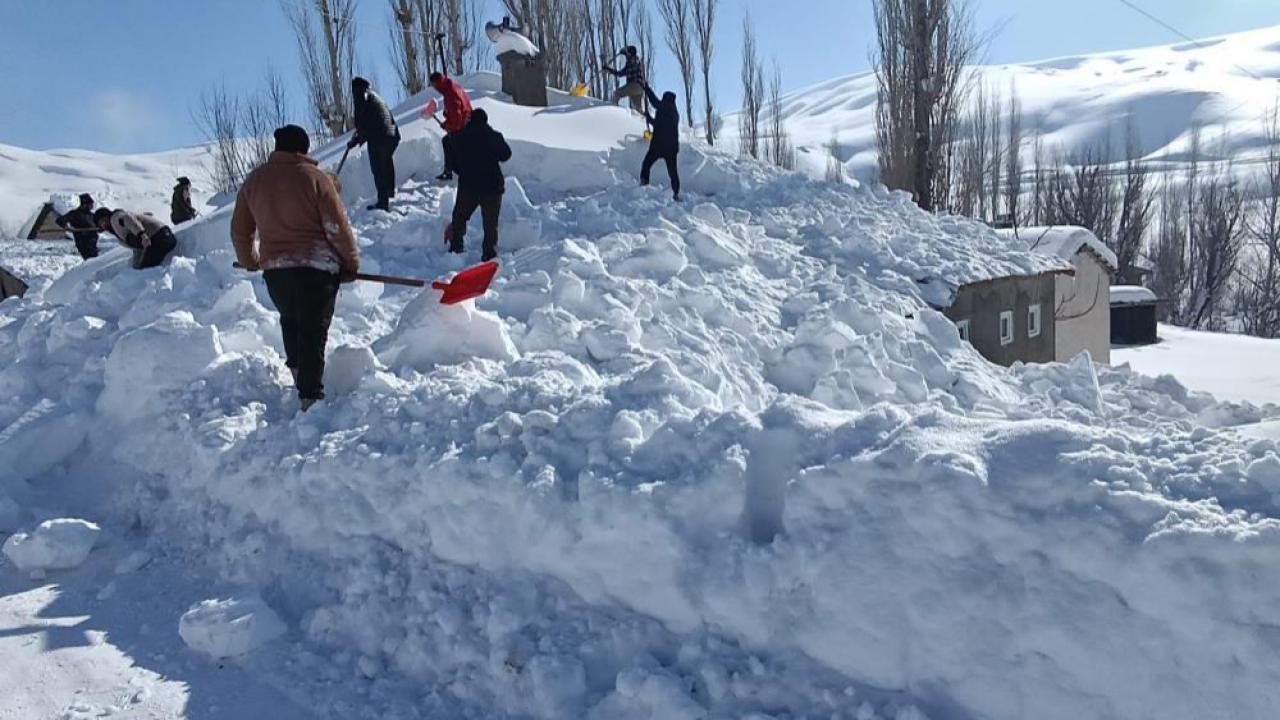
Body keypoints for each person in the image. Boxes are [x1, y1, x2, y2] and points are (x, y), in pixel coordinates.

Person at [232, 124, 360, 411]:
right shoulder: (314, 178)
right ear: (303, 149)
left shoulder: (254, 181)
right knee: (313, 331)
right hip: (315, 268)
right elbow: (336, 227)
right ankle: (310, 397)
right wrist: (350, 263)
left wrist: (251, 261)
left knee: (290, 320)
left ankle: (299, 377)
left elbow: (241, 230)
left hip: (276, 271)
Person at [448, 109, 511, 262]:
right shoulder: (493, 136)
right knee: (490, 225)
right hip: (492, 187)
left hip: (469, 186)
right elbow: (506, 155)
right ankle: (489, 254)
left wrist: (463, 170)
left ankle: (456, 248)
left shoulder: (459, 137)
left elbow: (452, 161)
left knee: (460, 218)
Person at [347, 77, 401, 211]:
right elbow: (369, 121)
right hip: (392, 134)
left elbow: (363, 123)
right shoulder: (375, 96)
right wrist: (359, 137)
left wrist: (356, 140)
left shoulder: (361, 95)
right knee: (386, 163)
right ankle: (389, 191)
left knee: (378, 169)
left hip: (379, 136)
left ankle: (383, 202)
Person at [93, 207, 177, 269]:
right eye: (101, 224)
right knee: (144, 266)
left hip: (158, 236)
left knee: (147, 269)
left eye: (102, 221)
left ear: (107, 216)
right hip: (160, 236)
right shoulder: (116, 228)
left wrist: (142, 234)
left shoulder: (116, 217)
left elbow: (128, 219)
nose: (103, 225)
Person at [429, 71, 473, 182]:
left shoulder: (450, 94)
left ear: (437, 83)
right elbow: (455, 112)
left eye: (433, 85)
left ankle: (457, 172)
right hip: (468, 121)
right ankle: (450, 171)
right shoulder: (453, 86)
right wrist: (447, 123)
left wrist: (448, 126)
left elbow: (457, 120)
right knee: (447, 141)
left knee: (450, 143)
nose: (434, 88)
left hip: (463, 126)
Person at [641, 84, 681, 201]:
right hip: (671, 148)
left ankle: (644, 187)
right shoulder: (673, 112)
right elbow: (661, 124)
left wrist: (646, 88)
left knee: (646, 165)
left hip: (659, 146)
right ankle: (675, 193)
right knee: (673, 173)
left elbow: (654, 101)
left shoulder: (665, 107)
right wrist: (650, 119)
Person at [56, 193, 100, 260]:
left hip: (93, 243)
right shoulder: (74, 214)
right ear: (85, 204)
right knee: (90, 260)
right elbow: (60, 220)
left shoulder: (92, 216)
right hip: (83, 243)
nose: (92, 206)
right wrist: (67, 227)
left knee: (95, 261)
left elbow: (99, 227)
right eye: (90, 204)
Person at [604, 46, 645, 115]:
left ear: (630, 54)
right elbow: (620, 74)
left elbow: (622, 72)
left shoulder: (633, 60)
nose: (626, 56)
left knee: (617, 93)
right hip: (640, 88)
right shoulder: (635, 61)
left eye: (628, 53)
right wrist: (608, 69)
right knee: (638, 109)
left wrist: (625, 53)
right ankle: (645, 120)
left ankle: (612, 113)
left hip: (634, 85)